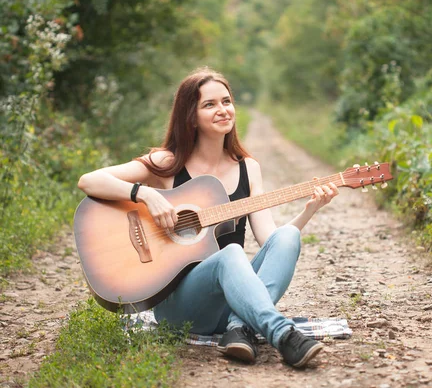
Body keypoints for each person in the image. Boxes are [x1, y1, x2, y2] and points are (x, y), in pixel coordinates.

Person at [77, 67, 339, 368]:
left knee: (288, 236)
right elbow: (89, 180)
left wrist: (310, 209)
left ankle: (238, 327)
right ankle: (281, 333)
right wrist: (147, 195)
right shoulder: (168, 163)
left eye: (226, 101)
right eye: (209, 104)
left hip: (228, 305)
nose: (223, 110)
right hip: (181, 308)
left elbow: (271, 241)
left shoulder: (248, 167)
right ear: (191, 116)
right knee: (231, 254)